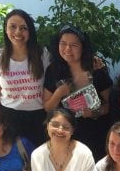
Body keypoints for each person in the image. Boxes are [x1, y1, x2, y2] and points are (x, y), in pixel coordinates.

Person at [43, 24, 113, 160]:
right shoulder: (53, 70)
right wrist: (59, 93)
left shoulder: (96, 68)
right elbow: (47, 108)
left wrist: (94, 112)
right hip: (65, 133)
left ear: (83, 47)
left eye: (74, 45)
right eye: (63, 44)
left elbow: (109, 106)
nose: (67, 49)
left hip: (96, 132)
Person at [0, 9, 49, 148]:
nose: (17, 32)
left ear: (30, 31)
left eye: (23, 28)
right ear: (5, 29)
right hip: (9, 117)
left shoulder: (42, 54)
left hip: (39, 116)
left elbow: (52, 82)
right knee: (15, 160)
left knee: (39, 160)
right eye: (12, 27)